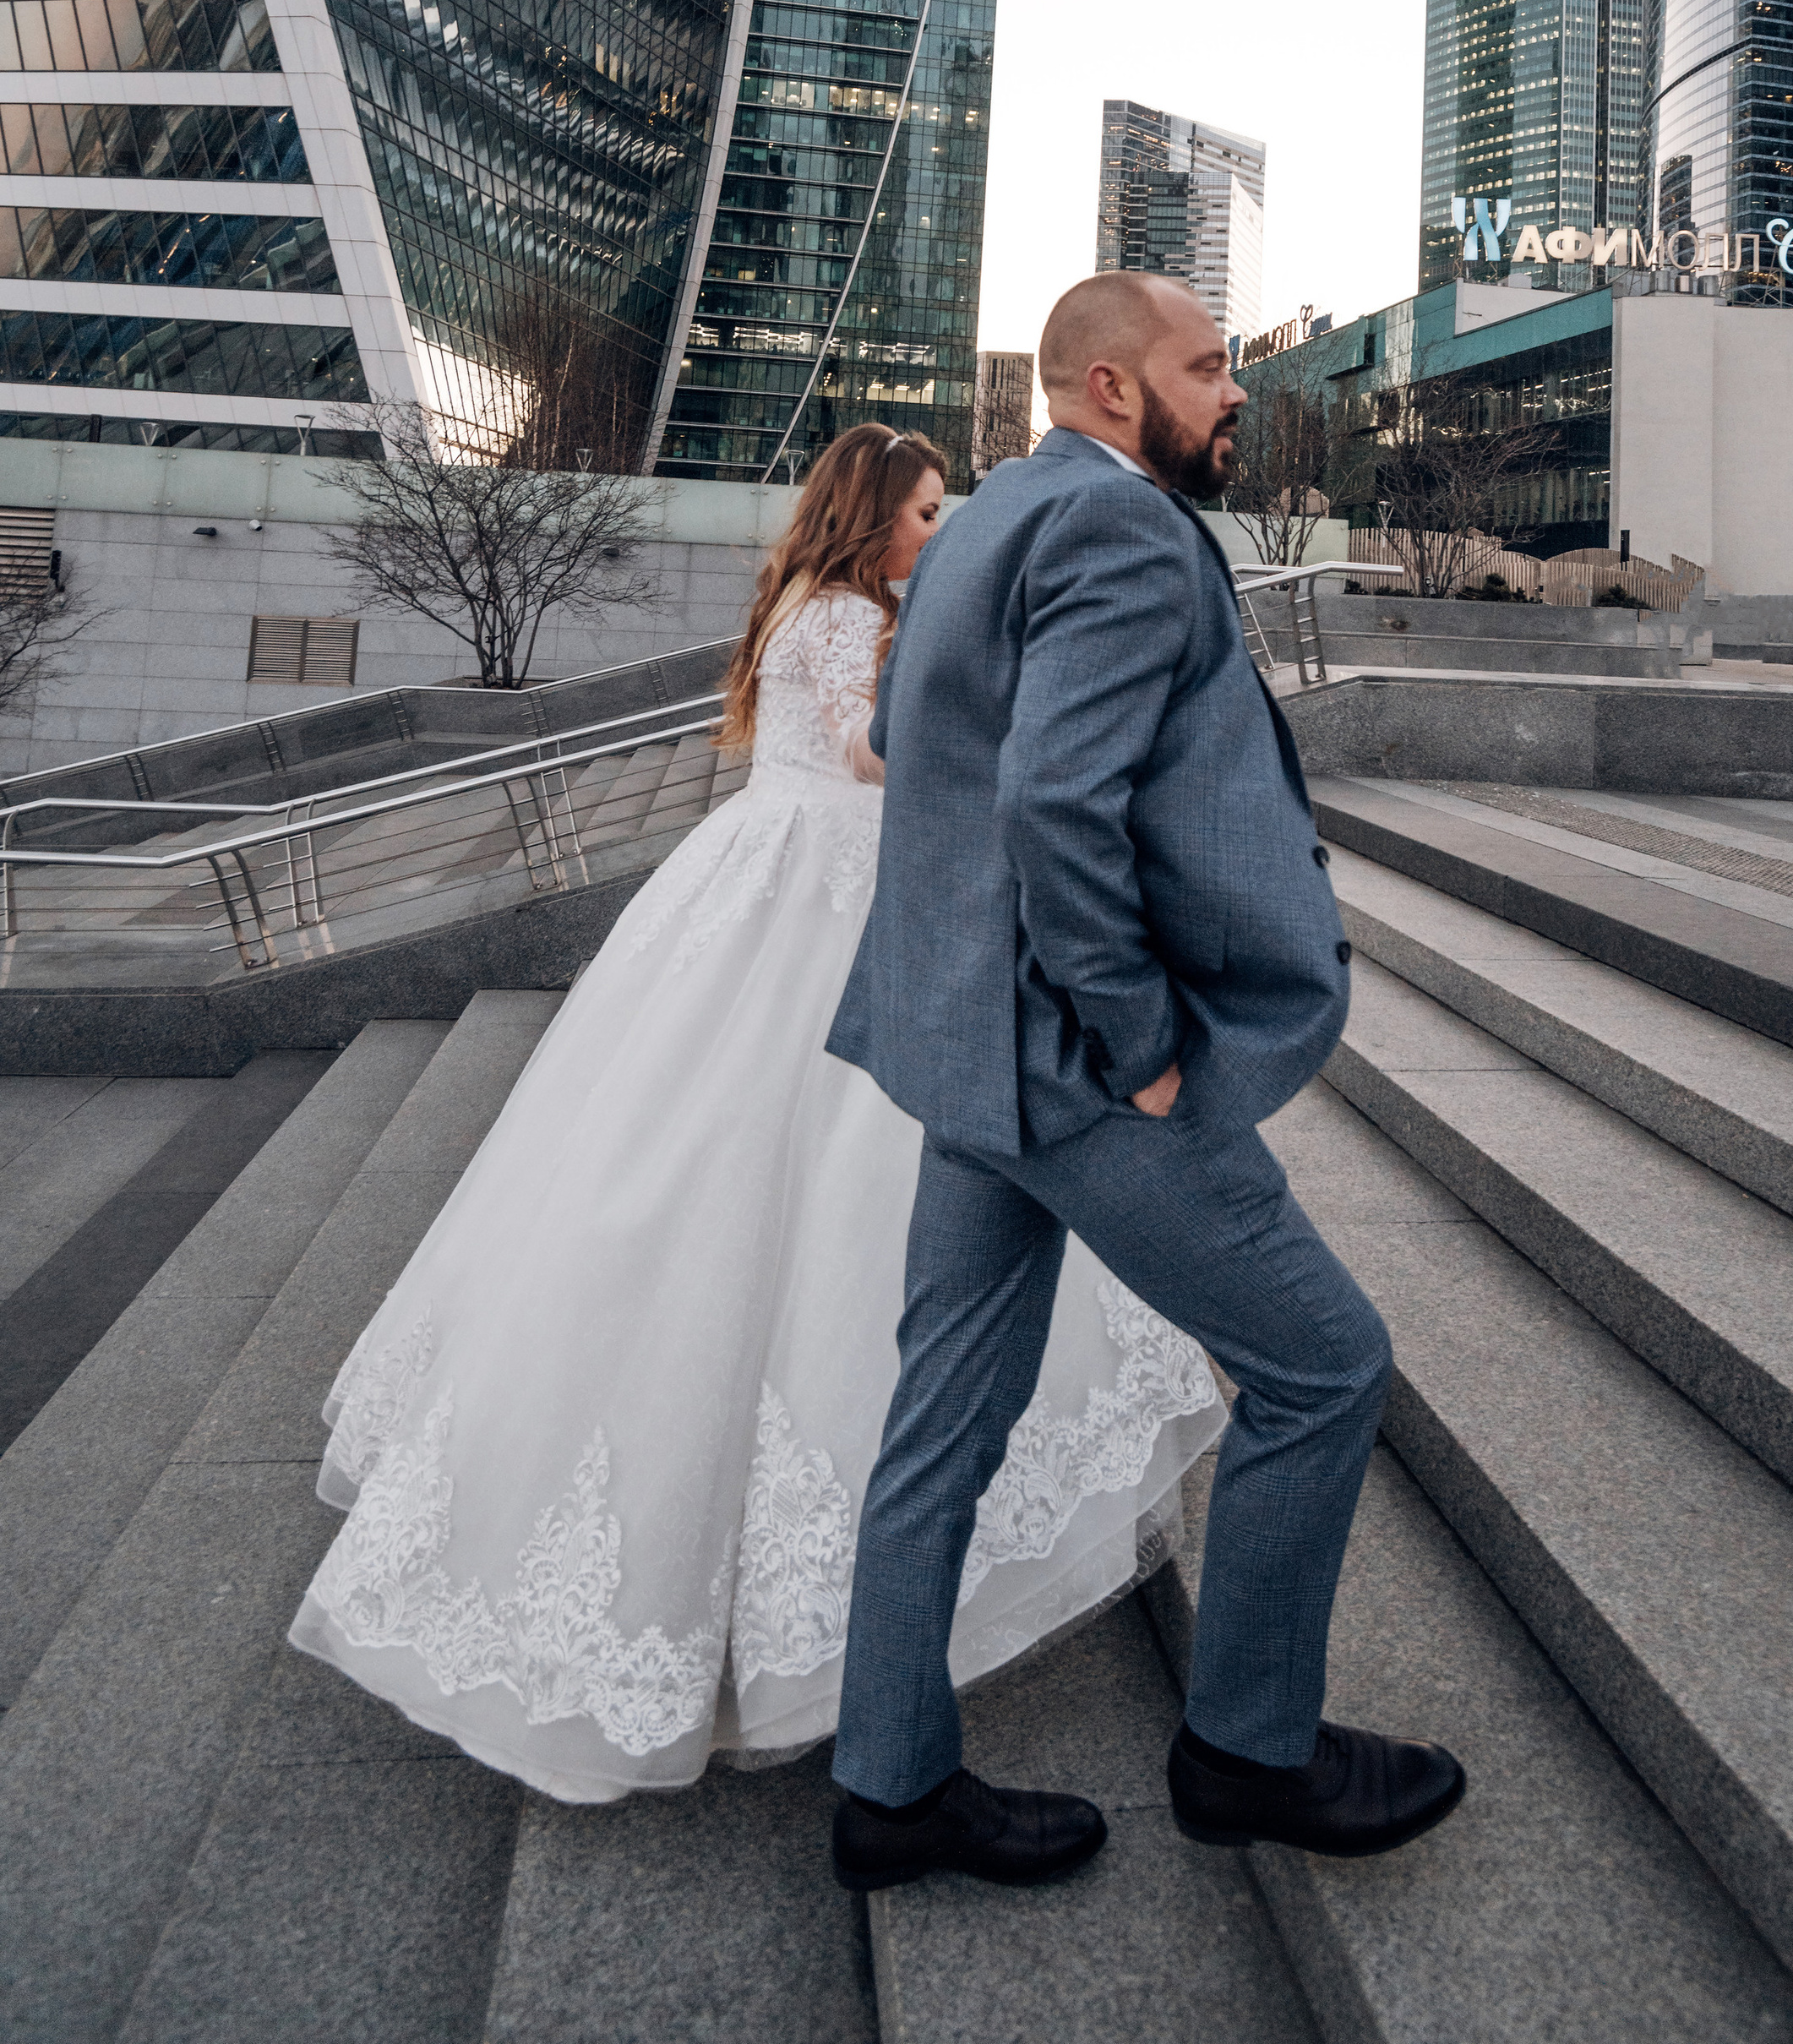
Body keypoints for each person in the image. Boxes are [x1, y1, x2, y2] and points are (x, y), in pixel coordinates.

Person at [286, 422, 1225, 1803]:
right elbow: (869, 758)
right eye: (923, 513)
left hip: (774, 885)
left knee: (742, 1166)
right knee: (815, 1175)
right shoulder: (843, 614)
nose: (937, 534)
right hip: (828, 900)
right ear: (868, 518)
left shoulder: (810, 601)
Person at [824, 275, 1465, 1894]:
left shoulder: (981, 517)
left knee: (942, 1424)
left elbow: (909, 731)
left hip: (969, 1049)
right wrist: (1140, 1045)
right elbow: (1053, 799)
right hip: (1079, 1072)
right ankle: (1249, 1751)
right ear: (1113, 388)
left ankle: (889, 1787)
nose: (1237, 391)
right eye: (1209, 366)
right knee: (1324, 1368)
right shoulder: (1118, 526)